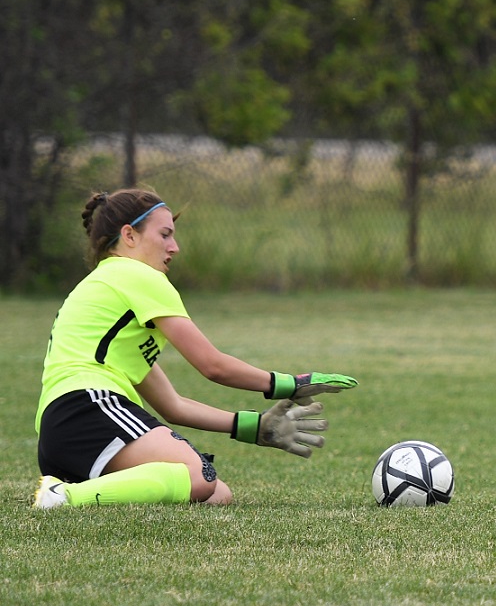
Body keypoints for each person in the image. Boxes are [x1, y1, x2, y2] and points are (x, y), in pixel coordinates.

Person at [32, 188, 358, 508]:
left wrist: (255, 427)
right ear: (129, 235)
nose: (175, 247)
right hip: (89, 408)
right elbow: (211, 364)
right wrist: (289, 384)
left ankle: (67, 491)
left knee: (215, 493)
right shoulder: (139, 276)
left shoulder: (107, 289)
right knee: (200, 475)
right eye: (165, 234)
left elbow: (173, 406)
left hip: (59, 431)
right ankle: (65, 497)